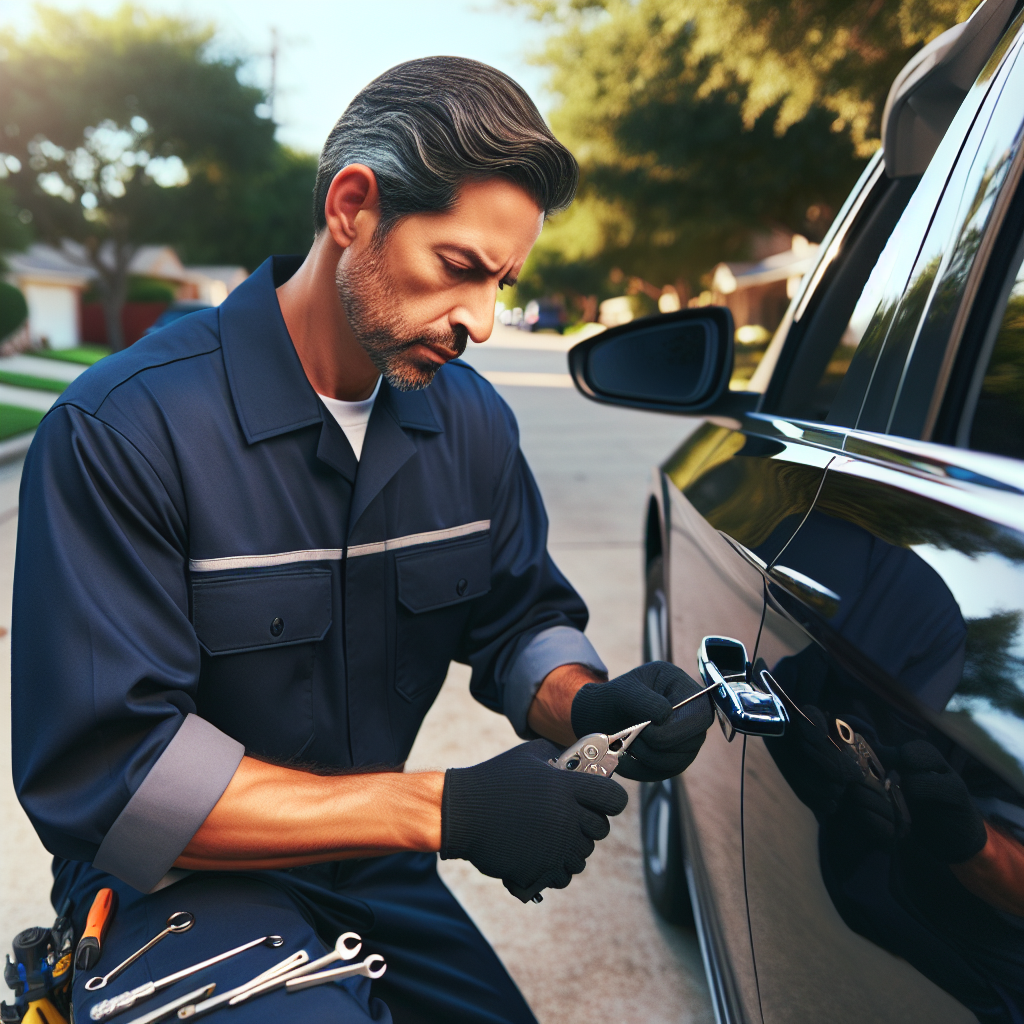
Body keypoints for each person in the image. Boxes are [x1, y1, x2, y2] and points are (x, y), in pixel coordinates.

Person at [11, 57, 713, 1024]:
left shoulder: (471, 425)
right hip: (166, 886)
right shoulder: (126, 430)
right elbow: (115, 778)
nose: (481, 319)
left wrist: (590, 703)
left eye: (504, 282)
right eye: (460, 268)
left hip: (371, 869)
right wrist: (442, 810)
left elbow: (519, 620)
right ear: (353, 207)